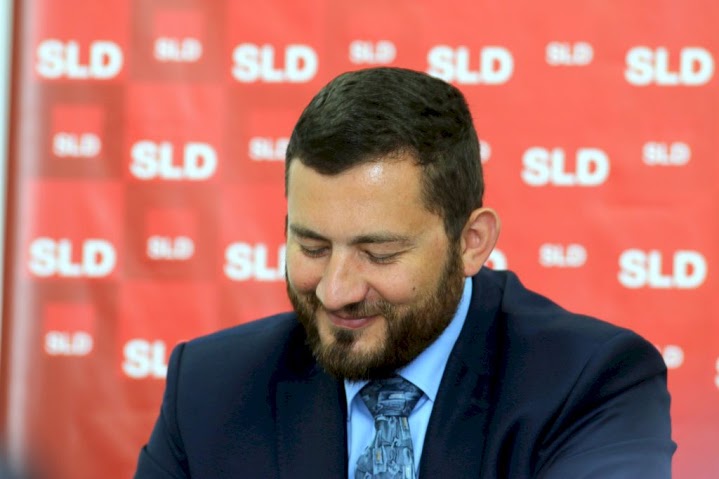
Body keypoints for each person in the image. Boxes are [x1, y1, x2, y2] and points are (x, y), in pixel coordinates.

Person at [134, 67, 675, 478]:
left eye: (380, 253)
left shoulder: (593, 383)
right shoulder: (209, 387)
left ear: (471, 242)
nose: (336, 291)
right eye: (313, 247)